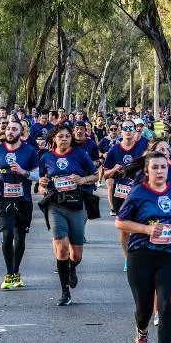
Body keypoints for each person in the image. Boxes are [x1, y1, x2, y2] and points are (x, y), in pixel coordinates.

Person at [115, 152, 171, 343]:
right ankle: (141, 330)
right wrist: (146, 229)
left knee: (167, 306)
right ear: (147, 171)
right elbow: (120, 222)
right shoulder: (138, 193)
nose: (160, 171)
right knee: (144, 309)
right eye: (155, 168)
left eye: (163, 167)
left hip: (169, 256)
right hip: (141, 256)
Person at [38, 124, 98, 306]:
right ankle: (65, 292)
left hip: (76, 206)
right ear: (54, 139)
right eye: (60, 136)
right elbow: (41, 184)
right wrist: (42, 184)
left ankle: (72, 268)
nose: (64, 139)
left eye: (67, 136)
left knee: (76, 254)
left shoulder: (80, 155)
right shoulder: (46, 157)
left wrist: (82, 180)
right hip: (56, 205)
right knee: (62, 247)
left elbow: (95, 175)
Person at [0, 119, 40, 289]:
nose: (9, 131)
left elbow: (38, 175)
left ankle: (16, 272)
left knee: (20, 236)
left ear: (21, 133)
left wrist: (23, 172)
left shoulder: (30, 151)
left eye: (14, 129)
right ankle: (9, 274)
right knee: (8, 234)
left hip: (23, 199)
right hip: (3, 198)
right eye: (8, 128)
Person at [103, 119, 149, 271]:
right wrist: (114, 170)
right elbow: (105, 175)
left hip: (139, 192)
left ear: (136, 130)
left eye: (131, 128)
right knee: (123, 228)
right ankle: (127, 258)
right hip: (120, 192)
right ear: (121, 131)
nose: (128, 131)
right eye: (125, 128)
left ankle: (142, 255)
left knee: (142, 224)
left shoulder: (143, 147)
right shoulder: (114, 150)